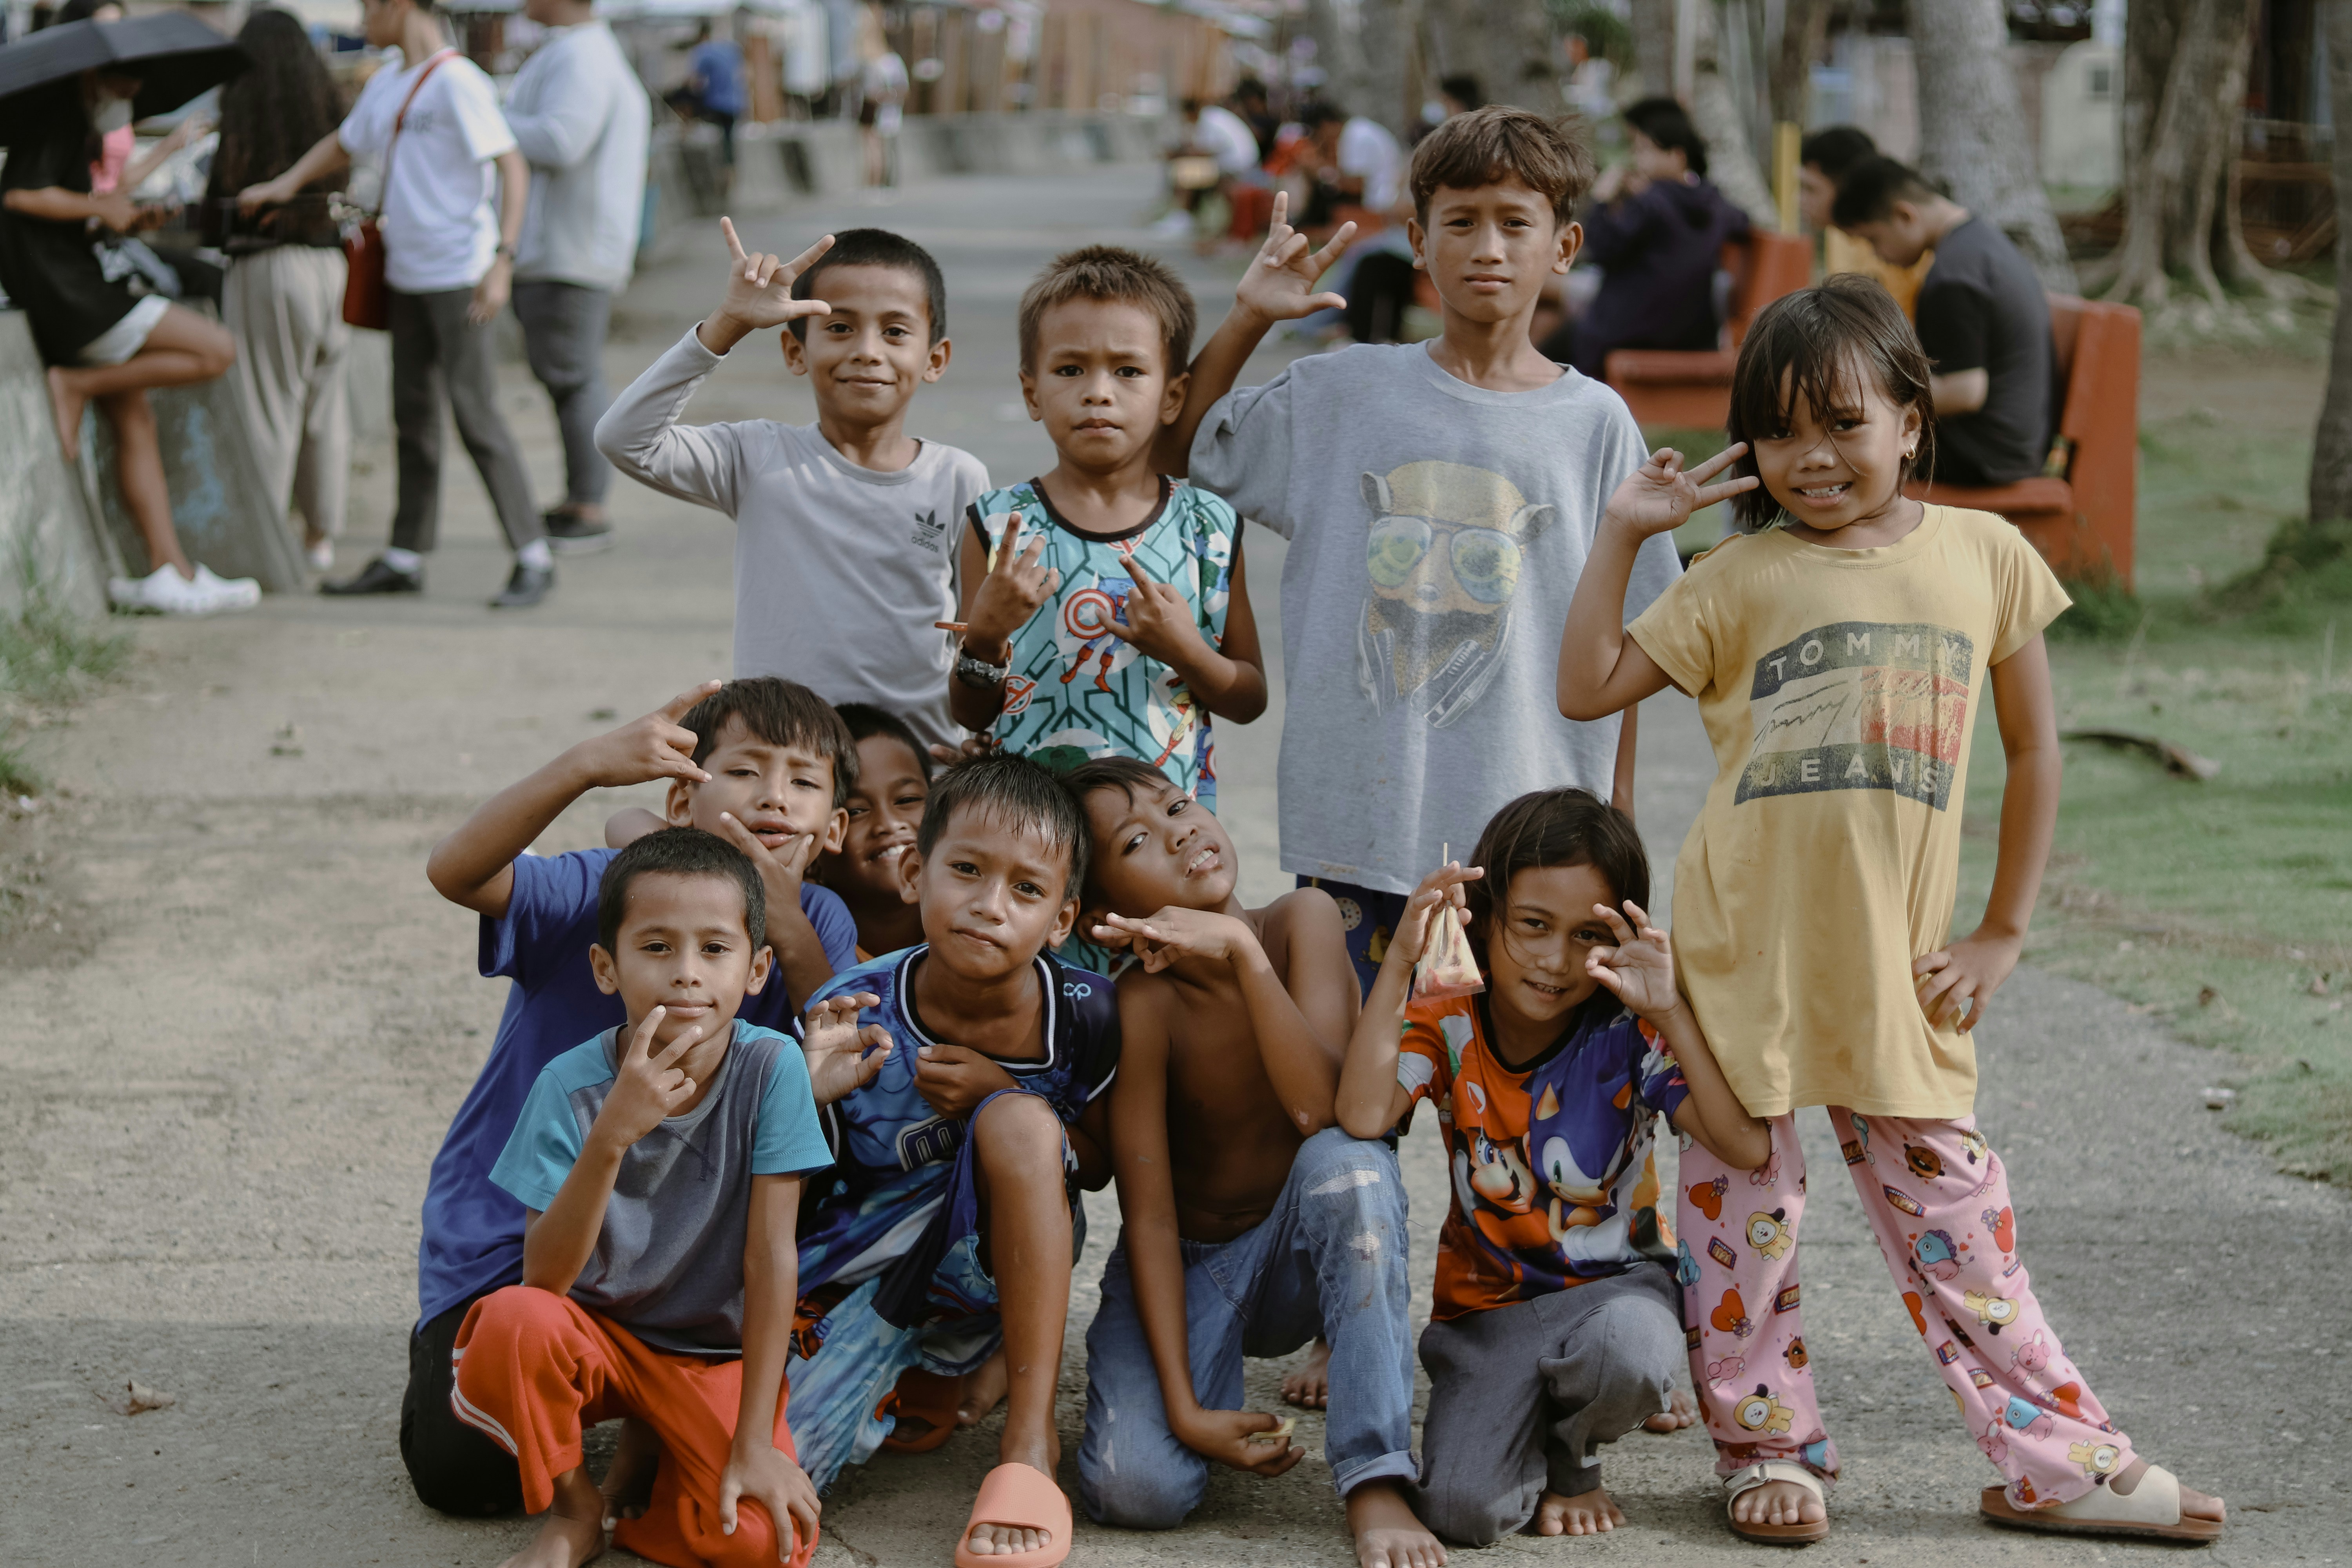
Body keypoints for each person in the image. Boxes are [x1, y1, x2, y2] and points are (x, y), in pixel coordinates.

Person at [1556, 275, 2226, 1545]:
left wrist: (2003, 931)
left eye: (1845, 424)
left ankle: (2060, 1457)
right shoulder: (1735, 575)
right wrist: (1622, 532)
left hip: (1898, 973)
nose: (1814, 457)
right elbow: (1586, 684)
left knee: (1961, 1223)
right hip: (1737, 967)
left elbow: (2036, 752)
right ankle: (1769, 1449)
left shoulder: (1985, 557)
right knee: (1740, 1227)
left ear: (1912, 421)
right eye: (1783, 432)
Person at [1161, 107, 1680, 995]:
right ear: (1416, 239)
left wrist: (1617, 807)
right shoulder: (1341, 392)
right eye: (1461, 221)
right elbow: (1185, 448)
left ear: (1563, 248)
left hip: (1536, 839)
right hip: (1360, 824)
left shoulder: (1594, 425)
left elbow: (1632, 640)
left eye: (1516, 223)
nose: (1489, 247)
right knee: (1356, 1103)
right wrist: (1249, 316)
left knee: (1513, 1103)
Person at [399, 678, 860, 1517]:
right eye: (747, 771)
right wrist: (587, 766)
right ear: (684, 795)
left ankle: (651, 1420)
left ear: (833, 828)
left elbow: (843, 1033)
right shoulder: (603, 890)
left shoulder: (813, 922)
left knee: (745, 1526)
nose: (773, 797)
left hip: (683, 1275)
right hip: (514, 1252)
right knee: (467, 1475)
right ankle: (523, 1390)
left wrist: (783, 916)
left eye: (802, 780)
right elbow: (455, 871)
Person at [1335, 791, 1767, 1545]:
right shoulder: (1448, 1018)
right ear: (1484, 911)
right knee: (1461, 1513)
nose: (1556, 961)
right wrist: (1403, 958)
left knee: (1630, 1352)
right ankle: (1529, 1424)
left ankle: (1574, 1456)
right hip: (1488, 1315)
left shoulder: (1627, 1031)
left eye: (1586, 936)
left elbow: (1746, 1144)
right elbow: (1366, 1116)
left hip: (1615, 1298)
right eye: (1533, 926)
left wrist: (1669, 1012)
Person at [450, 827, 882, 1568]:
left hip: (712, 1356)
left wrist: (751, 1443)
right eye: (656, 948)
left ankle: (656, 1484)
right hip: (599, 1338)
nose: (687, 974)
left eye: (715, 949)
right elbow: (544, 1282)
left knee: (762, 1543)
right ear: (605, 967)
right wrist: (611, 1136)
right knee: (509, 1325)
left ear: (757, 969)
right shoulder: (568, 1086)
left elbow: (771, 1258)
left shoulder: (772, 1068)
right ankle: (577, 1508)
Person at [1065, 757, 1441, 1568]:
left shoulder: (1299, 921)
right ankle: (1206, 1394)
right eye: (1140, 838)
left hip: (1303, 1250)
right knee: (1135, 1489)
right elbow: (1151, 1218)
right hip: (1196, 1267)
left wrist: (1243, 950)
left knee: (1352, 1162)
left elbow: (1324, 1112)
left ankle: (1375, 1473)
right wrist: (1185, 1409)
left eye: (1177, 806)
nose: (1180, 830)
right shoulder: (1143, 1006)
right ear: (1100, 914)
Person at [786, 755, 1119, 1568]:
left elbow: (1100, 1163)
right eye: (966, 869)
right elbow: (796, 1185)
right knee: (761, 1483)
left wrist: (999, 1092)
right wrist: (810, 1092)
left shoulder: (1087, 1016)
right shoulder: (856, 1006)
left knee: (1017, 1124)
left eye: (1026, 889)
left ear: (1063, 917)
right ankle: (927, 1374)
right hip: (860, 1272)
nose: (988, 904)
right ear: (915, 871)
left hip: (995, 1268)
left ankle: (1028, 1439)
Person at [596, 222, 987, 754]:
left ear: (934, 359)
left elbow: (979, 635)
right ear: (795, 350)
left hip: (913, 766)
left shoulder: (958, 477)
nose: (868, 351)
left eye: (895, 332)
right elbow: (625, 439)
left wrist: (981, 738)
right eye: (841, 328)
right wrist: (727, 325)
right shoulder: (758, 458)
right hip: (785, 761)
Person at [241, 0, 553, 608]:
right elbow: (344, 141)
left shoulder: (459, 81)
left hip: (458, 273)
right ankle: (405, 555)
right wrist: (284, 186)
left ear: (401, 5)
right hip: (406, 274)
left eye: (368, 8)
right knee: (413, 418)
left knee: (476, 415)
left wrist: (502, 260)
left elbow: (512, 166)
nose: (362, 21)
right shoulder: (388, 80)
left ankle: (532, 554)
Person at [949, 246, 1264, 837]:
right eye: (1070, 370)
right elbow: (971, 713)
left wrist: (1187, 651)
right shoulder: (998, 528)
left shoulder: (1208, 528)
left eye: (1128, 371)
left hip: (1166, 845)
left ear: (1173, 395)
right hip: (1034, 843)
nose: (1098, 391)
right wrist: (986, 638)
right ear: (1031, 392)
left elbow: (1249, 698)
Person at [1, 64, 256, 615]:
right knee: (217, 349)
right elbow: (20, 197)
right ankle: (76, 383)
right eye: (125, 80)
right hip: (75, 297)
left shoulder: (74, 124)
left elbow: (64, 212)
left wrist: (122, 221)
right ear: (94, 77)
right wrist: (100, 207)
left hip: (73, 287)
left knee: (135, 422)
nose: (135, 90)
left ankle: (171, 571)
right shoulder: (58, 119)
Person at [201, 6, 352, 577]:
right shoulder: (328, 109)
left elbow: (218, 212)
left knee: (269, 411)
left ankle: (269, 549)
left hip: (268, 271)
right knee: (325, 414)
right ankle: (320, 538)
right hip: (331, 270)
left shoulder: (245, 113)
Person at [500, 0, 652, 556]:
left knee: (573, 378)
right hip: (574, 247)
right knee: (571, 377)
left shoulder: (581, 56)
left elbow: (562, 141)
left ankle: (589, 508)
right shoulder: (581, 50)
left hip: (570, 249)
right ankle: (580, 501)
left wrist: (485, 115)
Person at [1833, 156, 2054, 489]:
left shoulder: (1953, 276)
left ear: (1904, 215)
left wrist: (1871, 401)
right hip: (2012, 445)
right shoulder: (1980, 243)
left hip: (1985, 455)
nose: (1876, 255)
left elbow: (1966, 391)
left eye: (1873, 240)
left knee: (1828, 449)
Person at [1544, 96, 1749, 379]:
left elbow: (1602, 251)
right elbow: (1742, 221)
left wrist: (1602, 200)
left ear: (1676, 156)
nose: (1637, 160)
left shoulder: (1652, 202)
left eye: (1645, 150)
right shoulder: (1714, 204)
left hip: (1631, 328)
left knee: (1554, 342)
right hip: (1691, 333)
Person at [816, 702, 933, 962]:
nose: (889, 824)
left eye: (907, 800)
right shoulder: (788, 937)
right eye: (856, 811)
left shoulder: (978, 925)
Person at [1797, 125, 1931, 319]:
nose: (1800, 200)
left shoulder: (1900, 241)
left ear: (1846, 186)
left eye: (1811, 189)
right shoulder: (1835, 236)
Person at [672, 20, 746, 167]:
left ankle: (684, 132)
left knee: (681, 96)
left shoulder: (704, 50)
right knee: (728, 140)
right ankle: (730, 168)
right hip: (737, 104)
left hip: (717, 104)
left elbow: (694, 81)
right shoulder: (731, 49)